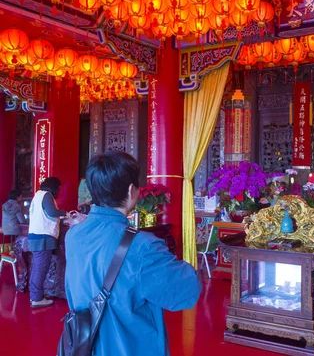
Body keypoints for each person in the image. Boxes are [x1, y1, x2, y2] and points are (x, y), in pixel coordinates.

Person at [65, 151, 200, 356]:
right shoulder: (142, 247)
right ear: (131, 191)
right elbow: (186, 291)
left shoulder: (74, 234)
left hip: (85, 346)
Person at [28, 177, 66, 308]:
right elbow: (52, 212)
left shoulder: (38, 195)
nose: (59, 191)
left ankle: (35, 296)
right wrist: (65, 213)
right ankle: (37, 299)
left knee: (38, 267)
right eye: (59, 188)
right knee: (41, 268)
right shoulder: (46, 195)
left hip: (36, 236)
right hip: (43, 236)